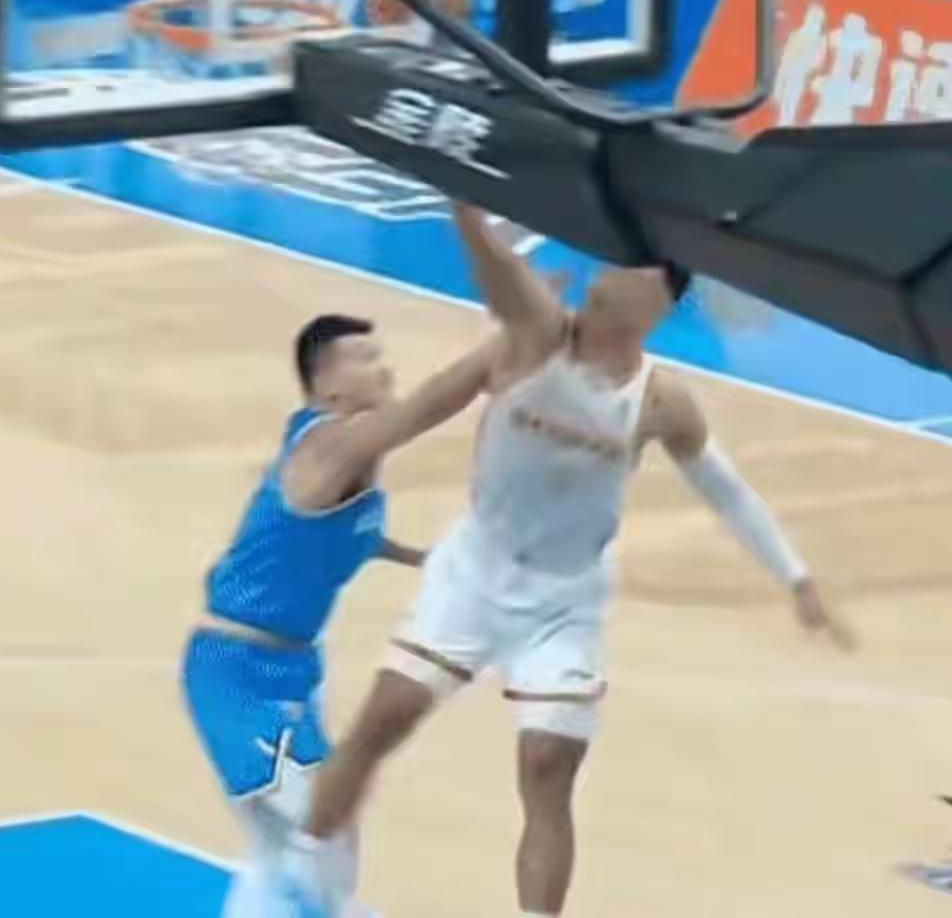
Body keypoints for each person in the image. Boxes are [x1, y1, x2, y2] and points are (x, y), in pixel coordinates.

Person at [284, 202, 853, 917]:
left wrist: (796, 577)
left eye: (627, 268)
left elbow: (725, 488)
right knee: (383, 720)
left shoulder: (662, 400)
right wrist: (466, 210)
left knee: (548, 766)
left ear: (659, 301)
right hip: (476, 573)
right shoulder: (539, 336)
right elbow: (499, 277)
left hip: (564, 599)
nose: (605, 272)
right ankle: (293, 876)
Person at [182, 312, 496, 917]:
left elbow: (345, 537)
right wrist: (497, 351)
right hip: (235, 671)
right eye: (366, 359)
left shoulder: (345, 465)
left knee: (314, 839)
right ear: (327, 385)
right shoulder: (330, 444)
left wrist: (424, 559)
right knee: (314, 830)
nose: (385, 369)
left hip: (293, 669)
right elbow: (424, 408)